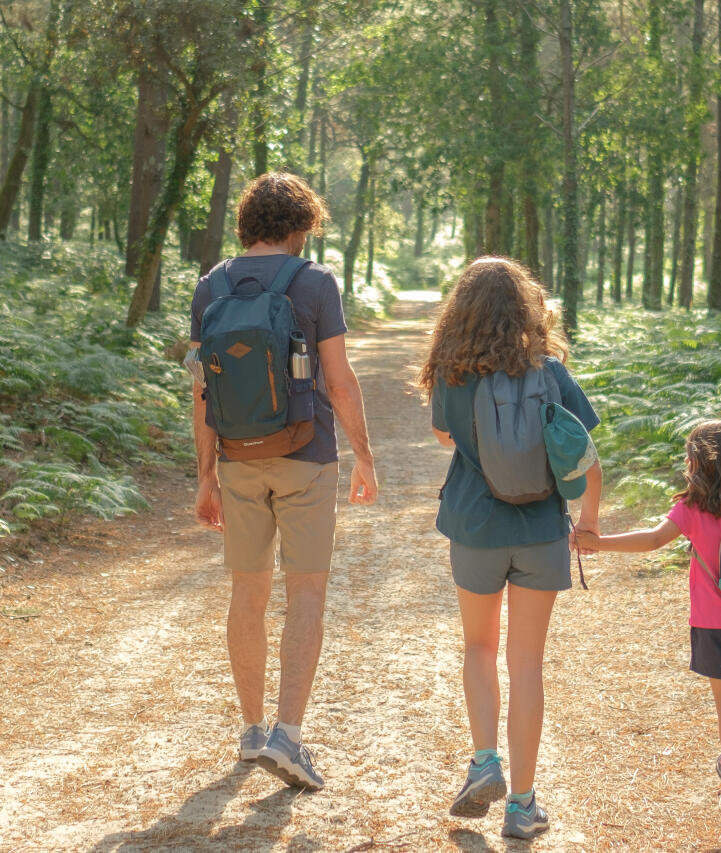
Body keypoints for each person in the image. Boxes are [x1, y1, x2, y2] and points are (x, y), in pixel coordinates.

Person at [189, 172, 376, 792]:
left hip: (238, 459)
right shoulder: (315, 282)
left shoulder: (212, 284)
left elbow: (201, 389)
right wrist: (365, 457)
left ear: (246, 223)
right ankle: (288, 736)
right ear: (300, 226)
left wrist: (205, 475)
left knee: (248, 594)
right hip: (307, 456)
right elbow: (339, 379)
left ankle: (249, 732)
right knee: (307, 594)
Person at [420, 257, 602, 840]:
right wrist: (590, 520)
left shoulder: (454, 372)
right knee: (527, 663)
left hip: (475, 523)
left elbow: (445, 435)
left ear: (461, 311)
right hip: (541, 529)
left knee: (478, 646)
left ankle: (483, 763)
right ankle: (521, 806)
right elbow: (581, 446)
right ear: (527, 308)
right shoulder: (548, 369)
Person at [575, 420, 721, 826]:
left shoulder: (693, 507)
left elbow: (653, 539)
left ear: (699, 463)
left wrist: (597, 542)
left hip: (715, 623)